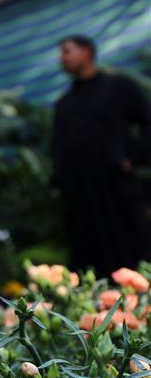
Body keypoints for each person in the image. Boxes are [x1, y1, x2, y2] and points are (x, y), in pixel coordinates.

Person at [52, 35, 151, 276]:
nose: (62, 59)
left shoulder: (119, 87)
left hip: (117, 190)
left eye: (67, 51)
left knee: (134, 251)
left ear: (87, 52)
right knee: (91, 260)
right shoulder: (65, 103)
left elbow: (148, 122)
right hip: (81, 200)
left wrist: (133, 158)